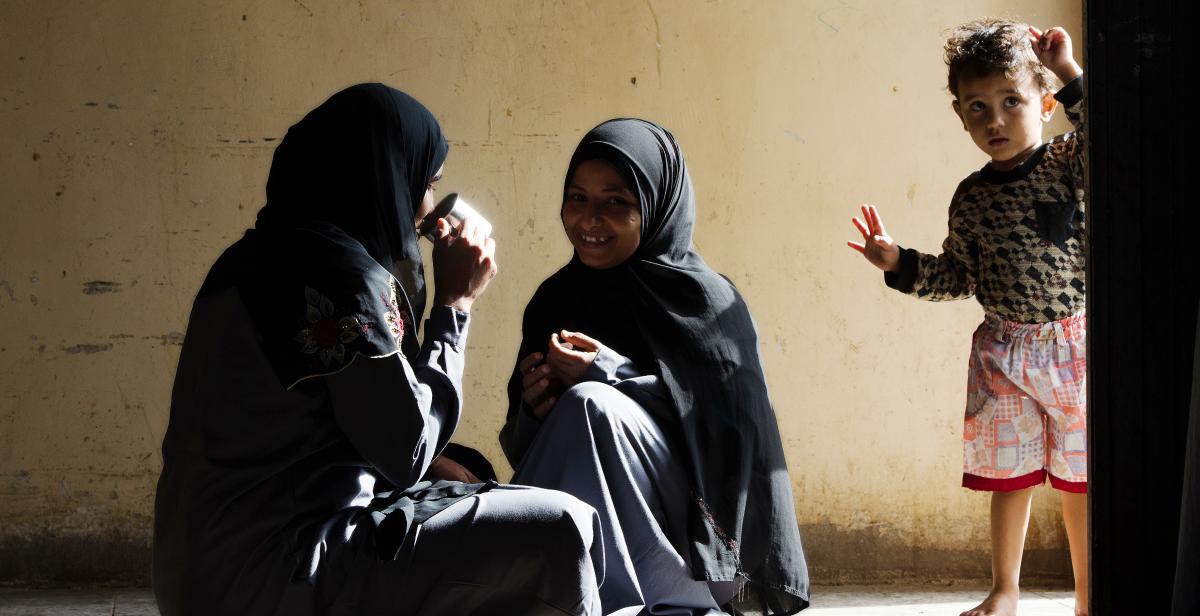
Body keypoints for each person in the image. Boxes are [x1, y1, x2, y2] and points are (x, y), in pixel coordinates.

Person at [152, 83, 605, 616]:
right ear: (386, 178)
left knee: (464, 474)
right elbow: (407, 450)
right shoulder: (340, 276)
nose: (429, 209)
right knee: (564, 527)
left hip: (198, 576)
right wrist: (455, 305)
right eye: (426, 184)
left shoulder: (247, 259)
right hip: (279, 574)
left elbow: (338, 423)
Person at [500, 118, 810, 615]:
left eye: (615, 203)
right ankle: (580, 589)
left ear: (656, 206)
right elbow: (530, 459)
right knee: (582, 410)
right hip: (591, 530)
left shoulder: (706, 302)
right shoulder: (554, 300)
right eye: (577, 198)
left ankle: (618, 595)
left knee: (591, 404)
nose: (589, 220)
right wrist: (533, 415)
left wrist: (610, 374)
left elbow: (732, 444)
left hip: (699, 549)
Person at [847, 22, 1087, 616]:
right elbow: (959, 276)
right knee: (1010, 477)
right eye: (977, 107)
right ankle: (1005, 591)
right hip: (1002, 355)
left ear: (1045, 103)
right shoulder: (970, 197)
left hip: (1074, 350)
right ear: (959, 115)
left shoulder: (1068, 163)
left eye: (1012, 101)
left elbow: (1120, 133)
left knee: (1081, 483)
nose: (994, 121)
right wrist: (899, 262)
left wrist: (1067, 69)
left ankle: (1089, 597)